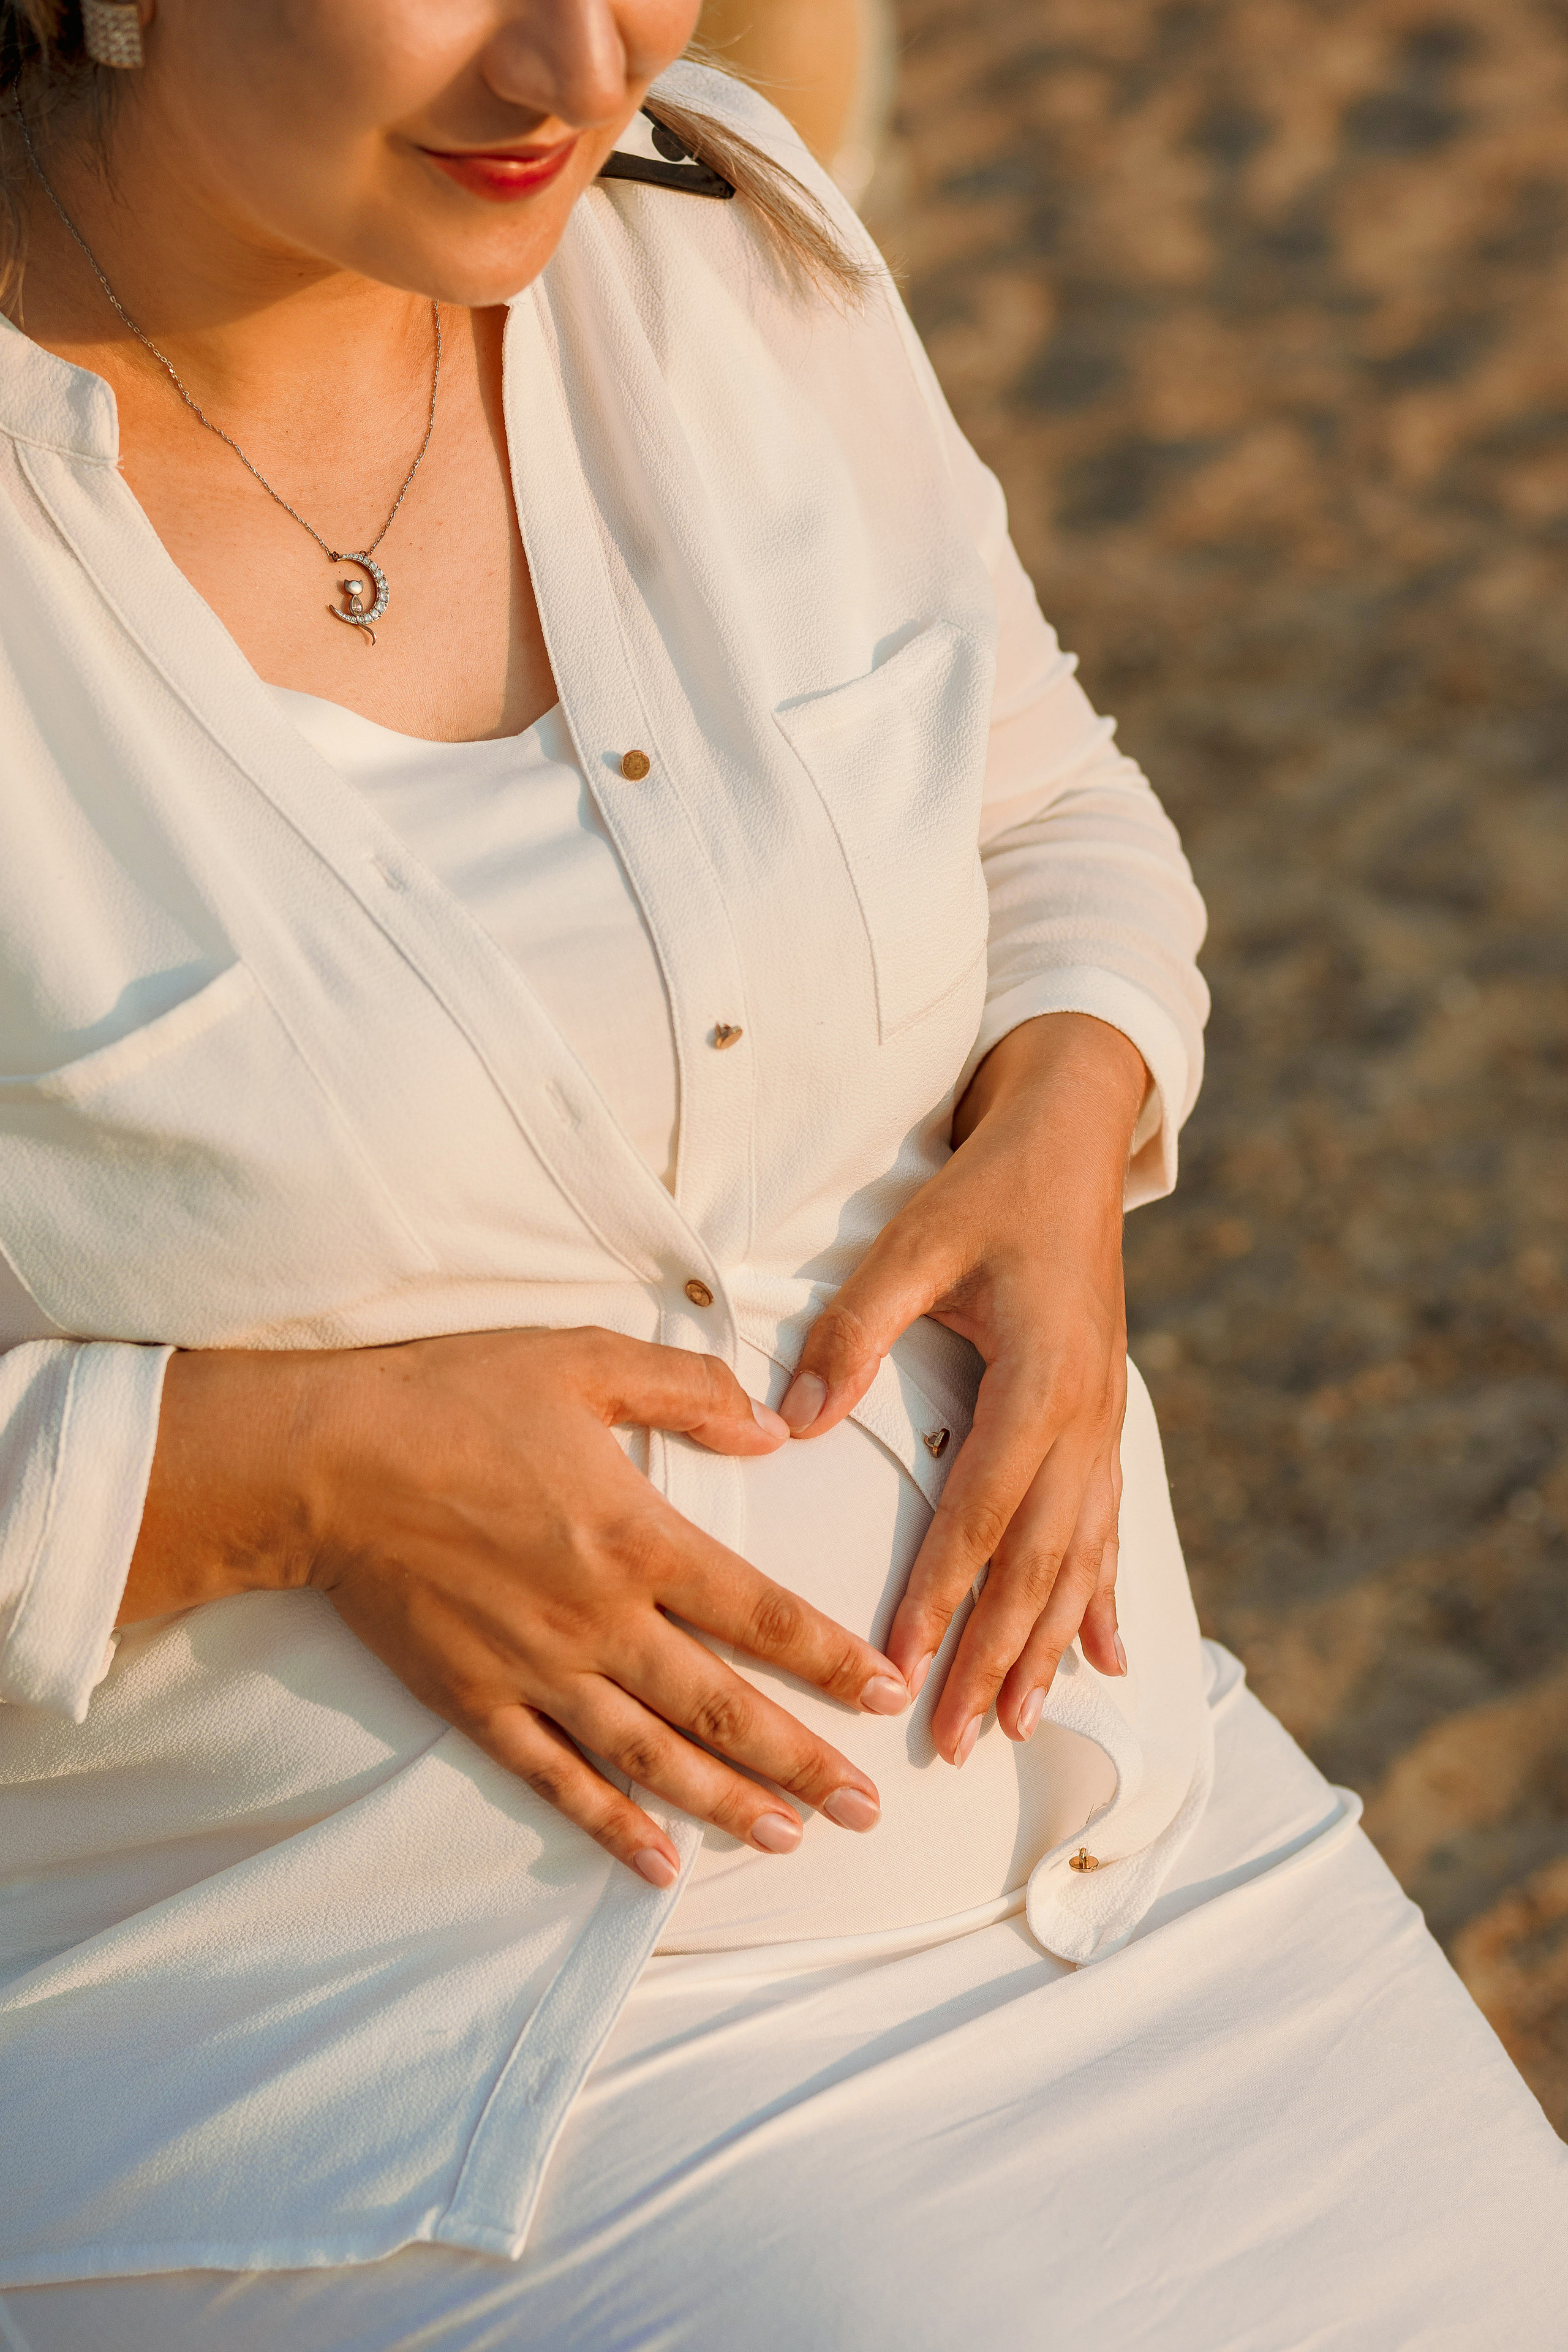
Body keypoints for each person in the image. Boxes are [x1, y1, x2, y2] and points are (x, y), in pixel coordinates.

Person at [0, 4, 1561, 2346]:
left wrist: (1069, 1116)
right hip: (381, 2088)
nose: (576, 66)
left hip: (1144, 1844)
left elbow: (1044, 800)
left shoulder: (721, 251)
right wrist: (290, 1475)